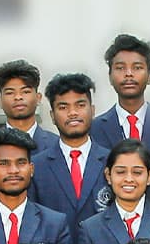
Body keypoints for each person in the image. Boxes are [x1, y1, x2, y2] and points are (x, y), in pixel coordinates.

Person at [32, 73, 112, 224]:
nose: (73, 113)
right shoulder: (37, 166)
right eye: (63, 107)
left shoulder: (112, 161)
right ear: (52, 116)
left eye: (80, 105)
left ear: (92, 110)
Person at [91, 34, 150, 153]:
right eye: (120, 68)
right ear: (110, 77)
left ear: (149, 77)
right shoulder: (94, 128)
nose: (128, 74)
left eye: (137, 68)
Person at [0, 59, 60, 151]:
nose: (18, 97)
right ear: (0, 101)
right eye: (10, 93)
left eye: (25, 91)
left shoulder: (57, 145)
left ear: (38, 98)